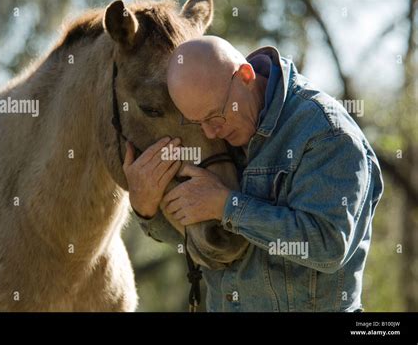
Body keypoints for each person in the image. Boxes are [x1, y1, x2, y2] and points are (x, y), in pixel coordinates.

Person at [123, 36, 384, 312]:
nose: (211, 133)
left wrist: (227, 205)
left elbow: (328, 246)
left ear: (246, 76)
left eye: (215, 116)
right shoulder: (223, 133)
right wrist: (145, 208)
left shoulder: (327, 134)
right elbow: (202, 241)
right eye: (198, 123)